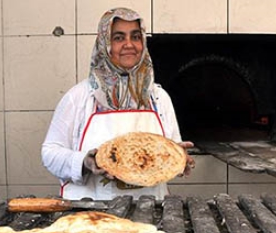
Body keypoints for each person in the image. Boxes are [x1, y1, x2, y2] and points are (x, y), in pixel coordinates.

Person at [41, 7, 194, 200]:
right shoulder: (79, 97)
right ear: (104, 44)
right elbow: (50, 152)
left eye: (136, 37)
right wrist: (85, 162)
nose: (129, 44)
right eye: (119, 38)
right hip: (92, 216)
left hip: (150, 213)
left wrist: (178, 160)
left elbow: (172, 147)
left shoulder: (158, 98)